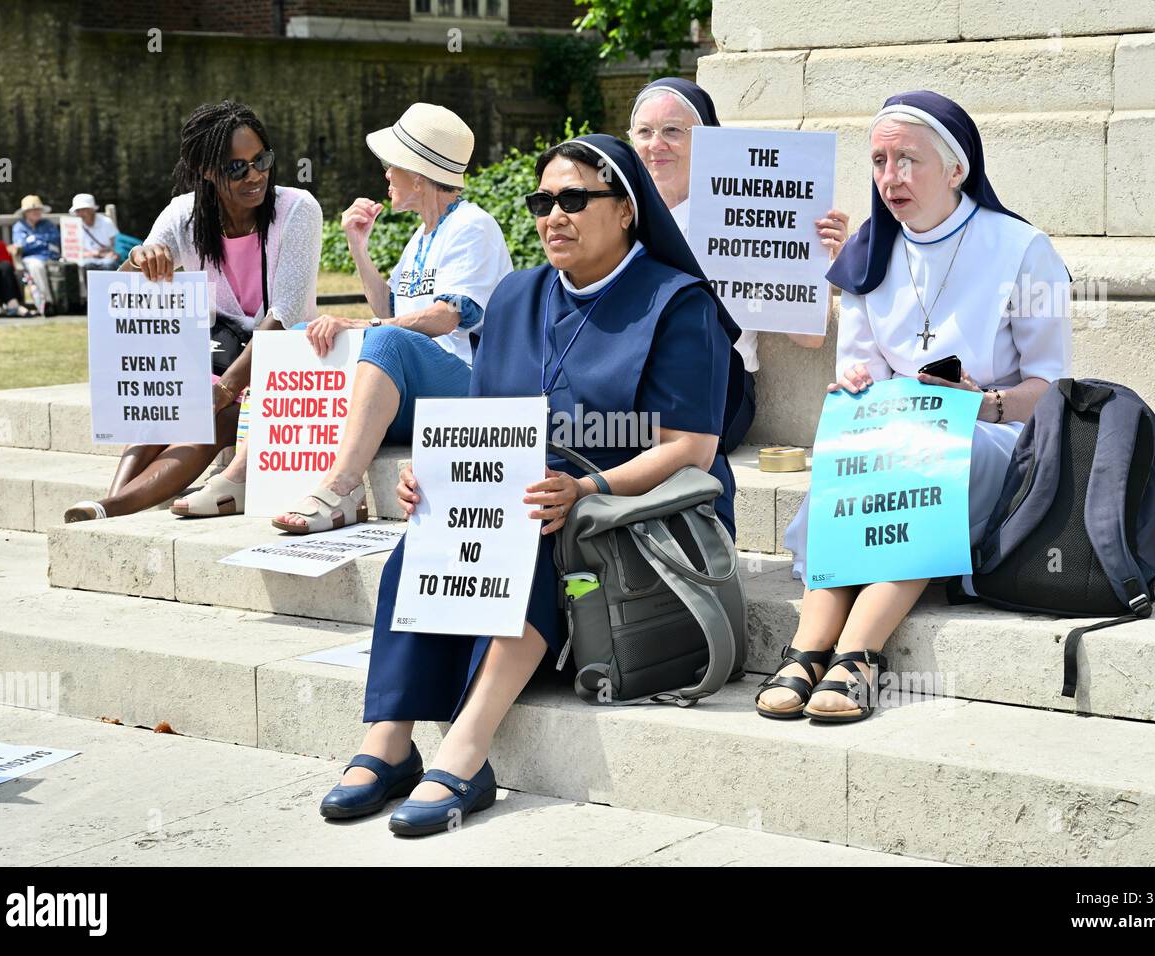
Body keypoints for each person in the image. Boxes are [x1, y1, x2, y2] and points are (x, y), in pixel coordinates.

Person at [317, 134, 743, 833]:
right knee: (432, 533)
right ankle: (389, 738)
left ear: (628, 211)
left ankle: (468, 744)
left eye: (575, 199)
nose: (553, 216)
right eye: (543, 201)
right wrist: (436, 477)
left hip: (630, 504)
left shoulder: (677, 302)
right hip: (528, 488)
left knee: (532, 529)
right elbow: (480, 419)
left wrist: (589, 486)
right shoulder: (517, 294)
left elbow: (691, 448)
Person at [756, 91, 1072, 723]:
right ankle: (811, 645)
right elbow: (863, 365)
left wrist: (983, 404)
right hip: (896, 430)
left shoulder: (1021, 249)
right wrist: (852, 381)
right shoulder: (871, 249)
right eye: (878, 160)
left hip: (993, 433)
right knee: (857, 454)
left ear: (957, 169)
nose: (889, 177)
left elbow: (1051, 389)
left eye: (908, 160)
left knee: (919, 459)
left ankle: (859, 649)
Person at [174, 103, 513, 527]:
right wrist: (358, 245)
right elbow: (390, 310)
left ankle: (343, 489)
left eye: (393, 165)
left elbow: (447, 317)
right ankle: (244, 473)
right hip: (415, 382)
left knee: (382, 339)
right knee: (294, 337)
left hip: (465, 384)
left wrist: (362, 326)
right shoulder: (422, 235)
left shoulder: (472, 227)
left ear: (419, 174)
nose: (386, 174)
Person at [63, 100, 322, 523]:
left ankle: (112, 507)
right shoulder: (185, 214)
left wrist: (223, 391)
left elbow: (286, 312)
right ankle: (107, 503)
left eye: (262, 160)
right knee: (167, 404)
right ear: (206, 170)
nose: (255, 175)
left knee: (213, 417)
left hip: (282, 359)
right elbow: (127, 288)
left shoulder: (298, 210)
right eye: (237, 168)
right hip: (217, 352)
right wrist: (141, 260)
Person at [628, 77, 851, 452]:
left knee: (624, 444)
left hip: (715, 385)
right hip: (634, 381)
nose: (656, 145)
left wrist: (823, 260)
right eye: (645, 132)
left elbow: (808, 337)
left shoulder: (745, 214)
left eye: (672, 131)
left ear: (710, 140)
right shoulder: (620, 216)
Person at [9, 195, 60, 315]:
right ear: (25, 212)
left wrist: (33, 240)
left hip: (52, 257)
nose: (36, 212)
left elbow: (55, 239)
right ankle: (47, 302)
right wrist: (42, 242)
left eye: (38, 209)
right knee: (37, 266)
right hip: (30, 259)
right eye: (33, 210)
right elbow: (21, 246)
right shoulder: (19, 226)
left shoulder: (47, 224)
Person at [70, 193, 120, 272]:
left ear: (92, 210)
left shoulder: (106, 222)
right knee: (87, 265)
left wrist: (113, 253)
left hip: (107, 258)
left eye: (83, 209)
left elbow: (117, 244)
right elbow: (72, 252)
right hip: (86, 260)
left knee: (109, 264)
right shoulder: (74, 226)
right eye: (77, 210)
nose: (80, 213)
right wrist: (95, 254)